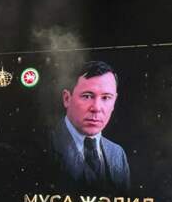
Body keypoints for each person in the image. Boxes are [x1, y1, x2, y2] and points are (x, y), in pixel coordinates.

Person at [50, 60, 130, 193]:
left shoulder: (118, 154)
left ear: (114, 101)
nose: (96, 108)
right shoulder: (43, 147)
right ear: (67, 98)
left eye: (106, 98)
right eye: (87, 96)